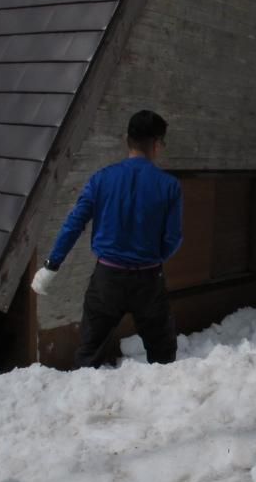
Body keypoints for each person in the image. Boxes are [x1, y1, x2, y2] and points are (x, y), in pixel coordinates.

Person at [31, 109, 183, 368]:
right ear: (156, 144)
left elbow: (74, 224)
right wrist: (153, 257)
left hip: (107, 279)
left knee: (90, 352)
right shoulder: (169, 186)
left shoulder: (101, 179)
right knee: (162, 354)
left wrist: (51, 265)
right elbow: (173, 238)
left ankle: (85, 401)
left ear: (127, 139)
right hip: (148, 280)